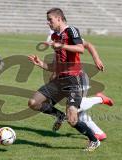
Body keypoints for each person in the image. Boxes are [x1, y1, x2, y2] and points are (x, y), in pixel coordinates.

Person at [28, 8, 100, 151]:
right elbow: (55, 66)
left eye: (50, 20)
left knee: (72, 120)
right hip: (59, 80)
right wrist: (41, 63)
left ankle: (94, 140)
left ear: (59, 18)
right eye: (48, 20)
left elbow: (81, 49)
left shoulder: (71, 31)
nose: (48, 22)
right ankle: (59, 115)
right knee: (33, 103)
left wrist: (61, 45)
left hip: (74, 80)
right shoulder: (55, 36)